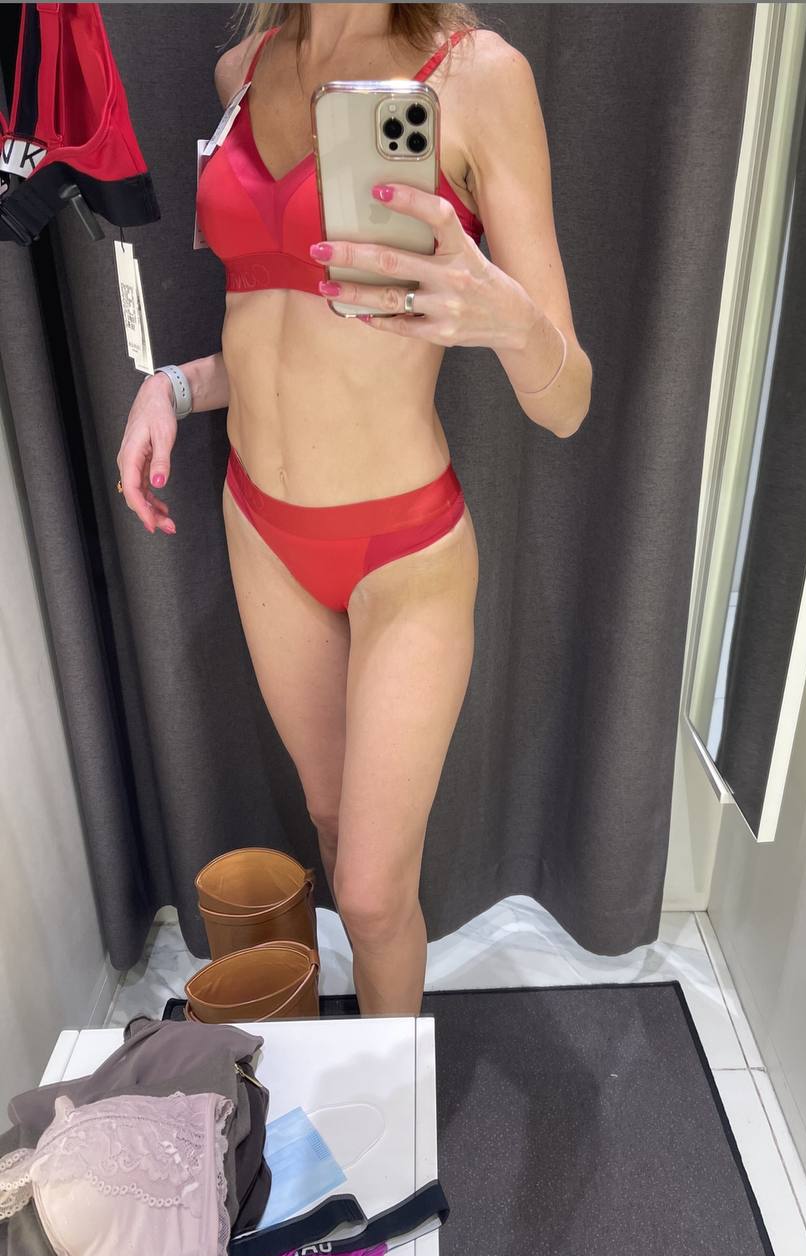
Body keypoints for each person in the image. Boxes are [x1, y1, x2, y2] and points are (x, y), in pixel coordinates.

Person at [115, 2, 591, 1017]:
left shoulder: (476, 74)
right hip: (260, 527)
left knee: (372, 894)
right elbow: (274, 323)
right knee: (331, 830)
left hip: (401, 547)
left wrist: (506, 318)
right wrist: (175, 388)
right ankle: (367, 1067)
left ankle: (397, 1117)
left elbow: (568, 402)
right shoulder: (243, 71)